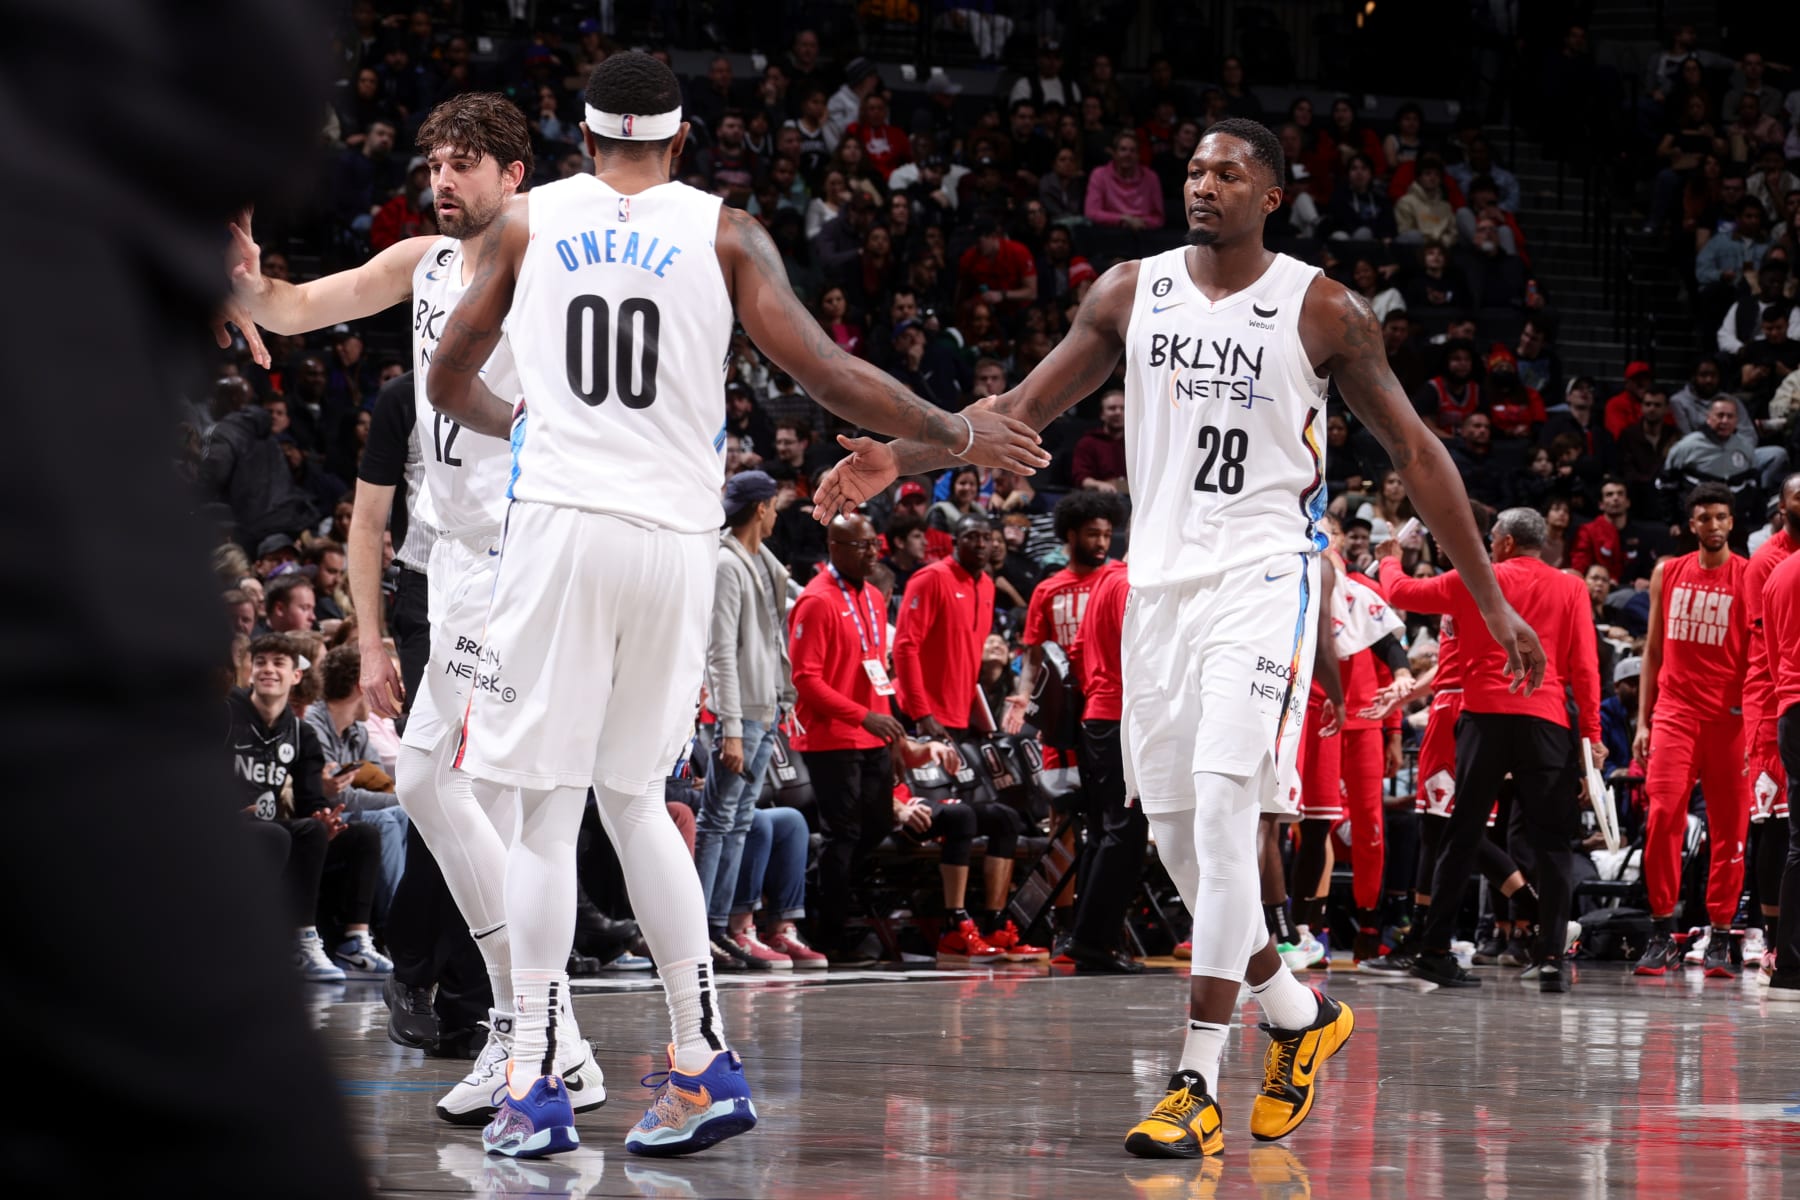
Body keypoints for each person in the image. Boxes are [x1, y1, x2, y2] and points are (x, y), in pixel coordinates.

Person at [809, 117, 1544, 1156]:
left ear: (1271, 195)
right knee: (1174, 833)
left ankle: (1195, 1078)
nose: (1203, 184)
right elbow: (1016, 413)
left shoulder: (1323, 309)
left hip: (1264, 576)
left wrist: (1490, 599)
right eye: (1195, 169)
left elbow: (1420, 454)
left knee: (1228, 804)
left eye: (1228, 172)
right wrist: (898, 454)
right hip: (1158, 587)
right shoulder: (1126, 291)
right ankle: (1297, 1015)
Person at [423, 52, 1044, 1160]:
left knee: (544, 811)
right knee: (635, 798)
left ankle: (531, 1079)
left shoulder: (528, 224)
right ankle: (701, 1060)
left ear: (581, 136)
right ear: (680, 139)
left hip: (563, 529)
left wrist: (523, 423)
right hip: (676, 542)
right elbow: (829, 373)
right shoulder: (726, 232)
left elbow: (446, 379)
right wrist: (952, 433)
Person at [228, 93, 609, 1131]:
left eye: (468, 164)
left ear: (515, 174)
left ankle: (540, 1033)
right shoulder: (421, 264)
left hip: (528, 554)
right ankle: (539, 1032)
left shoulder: (550, 261)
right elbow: (301, 308)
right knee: (453, 791)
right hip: (459, 568)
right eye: (436, 163)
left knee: (475, 791)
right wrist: (244, 284)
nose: (444, 181)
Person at [1378, 508, 1599, 992]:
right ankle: (1551, 961)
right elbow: (1585, 669)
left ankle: (1434, 951)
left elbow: (1399, 593)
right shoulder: (1572, 588)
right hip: (1545, 722)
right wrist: (1594, 738)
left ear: (1501, 543)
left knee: (1460, 837)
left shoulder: (1477, 580)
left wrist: (1389, 559)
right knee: (1553, 845)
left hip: (1484, 721)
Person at [891, 513, 1044, 960]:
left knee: (1003, 818)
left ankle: (994, 923)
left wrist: (977, 712)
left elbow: (964, 658)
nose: (981, 544)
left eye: (988, 538)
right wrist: (922, 713)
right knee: (957, 816)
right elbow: (906, 647)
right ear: (955, 541)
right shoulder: (930, 578)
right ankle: (953, 923)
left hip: (960, 722)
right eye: (971, 537)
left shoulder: (988, 586)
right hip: (922, 724)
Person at [1632, 483, 1752, 977]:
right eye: (1704, 518)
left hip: (1730, 721)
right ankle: (1663, 932)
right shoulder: (1668, 572)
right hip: (1675, 715)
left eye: (1721, 517)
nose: (1714, 526)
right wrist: (1643, 719)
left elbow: (1758, 655)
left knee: (1731, 830)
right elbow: (1653, 650)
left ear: (1732, 521)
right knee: (1662, 818)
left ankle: (1721, 936)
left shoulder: (1749, 576)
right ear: (1691, 525)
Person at [230, 634, 391, 980]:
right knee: (284, 834)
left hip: (274, 829)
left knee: (362, 834)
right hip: (219, 824)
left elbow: (310, 802)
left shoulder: (301, 733)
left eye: (278, 663)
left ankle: (354, 943)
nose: (268, 669)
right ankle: (299, 942)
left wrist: (324, 818)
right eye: (261, 662)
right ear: (250, 672)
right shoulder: (226, 714)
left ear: (296, 676)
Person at [697, 471, 802, 970]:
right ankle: (697, 931)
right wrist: (731, 726)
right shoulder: (725, 566)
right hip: (740, 716)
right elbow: (721, 654)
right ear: (760, 508)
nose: (778, 513)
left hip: (765, 709)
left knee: (737, 824)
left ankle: (718, 926)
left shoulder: (763, 564)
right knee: (718, 822)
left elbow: (777, 634)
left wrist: (783, 697)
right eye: (775, 505)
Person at [1003, 491, 1125, 733]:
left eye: (1107, 535)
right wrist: (1026, 694)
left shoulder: (1118, 579)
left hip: (1110, 700)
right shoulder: (1047, 590)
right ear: (1071, 535)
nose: (1102, 543)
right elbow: (1034, 656)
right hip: (1063, 701)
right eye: (1093, 534)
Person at [1743, 475, 1800, 977]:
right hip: (1773, 700)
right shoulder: (1768, 563)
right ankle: (1770, 938)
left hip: (1784, 699)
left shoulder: (1781, 569)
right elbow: (1760, 653)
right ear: (1781, 509)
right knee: (1775, 827)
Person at [1762, 521, 1800, 998]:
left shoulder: (1778, 574)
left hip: (1790, 709)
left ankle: (1790, 964)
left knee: (1799, 842)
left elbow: (1771, 654)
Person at [1073, 389, 1128, 492]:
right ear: (1102, 414)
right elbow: (1080, 477)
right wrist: (1099, 485)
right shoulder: (1088, 442)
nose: (1118, 412)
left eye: (1123, 408)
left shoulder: (1139, 444)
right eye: (1112, 408)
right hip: (1100, 498)